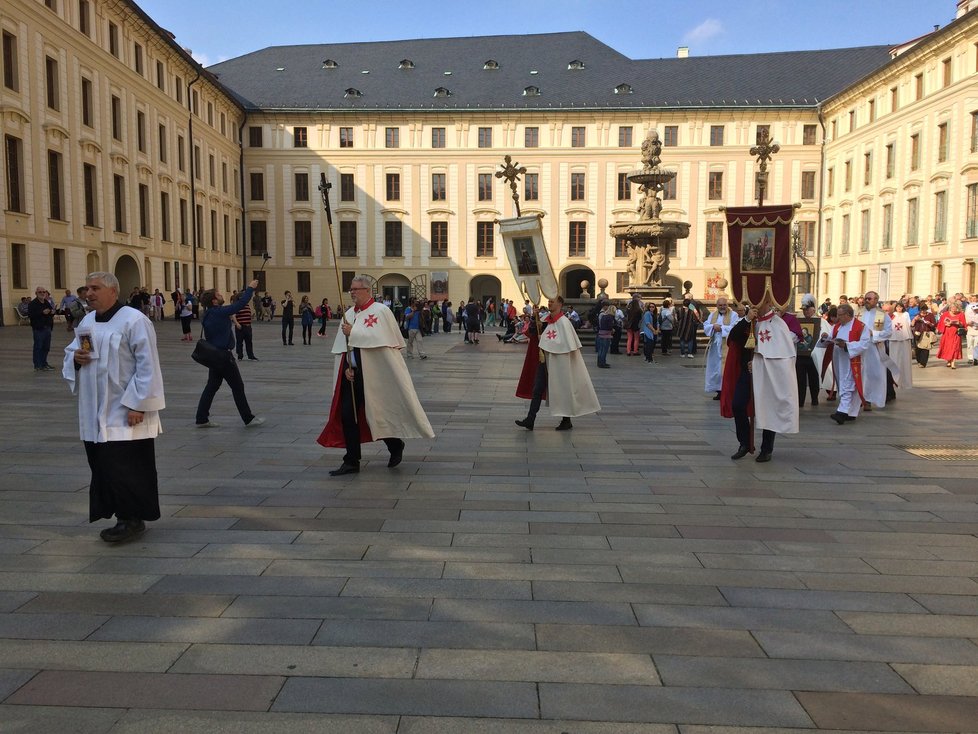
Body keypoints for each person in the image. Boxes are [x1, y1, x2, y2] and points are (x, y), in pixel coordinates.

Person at [63, 272, 165, 543]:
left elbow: (147, 365)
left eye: (95, 288)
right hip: (95, 409)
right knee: (104, 465)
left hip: (124, 410)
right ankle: (119, 513)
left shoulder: (134, 320)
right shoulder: (87, 321)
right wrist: (76, 358)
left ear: (113, 291)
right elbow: (73, 350)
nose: (89, 293)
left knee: (126, 466)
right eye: (87, 288)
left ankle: (131, 519)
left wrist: (138, 405)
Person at [317, 276, 434, 475]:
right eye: (350, 289)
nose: (352, 292)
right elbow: (345, 348)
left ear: (367, 291)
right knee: (348, 416)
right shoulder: (349, 314)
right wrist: (347, 366)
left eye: (355, 289)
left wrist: (354, 332)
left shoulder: (381, 311)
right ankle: (352, 461)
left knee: (378, 412)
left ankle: (395, 445)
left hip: (376, 375)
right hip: (351, 375)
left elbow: (382, 340)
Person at [723, 297, 798, 462]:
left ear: (770, 303)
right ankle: (744, 443)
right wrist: (748, 318)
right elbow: (733, 338)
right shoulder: (749, 321)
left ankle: (766, 449)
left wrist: (757, 362)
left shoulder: (778, 324)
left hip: (768, 374)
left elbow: (782, 355)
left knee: (768, 408)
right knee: (738, 404)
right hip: (747, 372)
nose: (756, 304)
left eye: (761, 301)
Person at [515, 295, 601, 431]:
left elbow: (562, 343)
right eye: (548, 301)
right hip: (544, 362)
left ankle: (566, 421)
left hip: (559, 363)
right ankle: (530, 419)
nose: (549, 303)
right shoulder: (545, 320)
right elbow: (531, 332)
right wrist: (534, 317)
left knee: (563, 389)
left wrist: (542, 338)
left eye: (552, 301)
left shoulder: (564, 322)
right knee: (537, 389)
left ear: (560, 304)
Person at [195, 281, 265, 428]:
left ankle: (201, 418)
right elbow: (239, 305)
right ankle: (248, 418)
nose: (221, 296)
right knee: (237, 386)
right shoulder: (219, 312)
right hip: (224, 357)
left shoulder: (206, 314)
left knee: (212, 386)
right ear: (214, 301)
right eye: (219, 295)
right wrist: (250, 288)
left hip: (213, 356)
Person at [824, 303, 872, 424]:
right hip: (839, 360)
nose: (838, 318)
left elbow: (865, 344)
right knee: (844, 385)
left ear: (848, 314)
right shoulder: (837, 326)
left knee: (848, 385)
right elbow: (830, 338)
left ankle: (842, 412)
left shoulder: (860, 327)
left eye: (841, 315)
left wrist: (846, 345)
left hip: (853, 360)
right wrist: (825, 338)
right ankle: (851, 413)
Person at [858, 291, 892, 409]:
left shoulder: (881, 315)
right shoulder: (858, 313)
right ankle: (860, 398)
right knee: (860, 373)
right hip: (859, 348)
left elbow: (888, 332)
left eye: (869, 299)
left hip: (874, 348)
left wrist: (874, 333)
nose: (866, 300)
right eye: (865, 298)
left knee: (874, 374)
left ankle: (870, 398)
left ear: (876, 300)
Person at [703, 296, 739, 399]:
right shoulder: (713, 315)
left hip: (727, 345)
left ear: (727, 305)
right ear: (717, 306)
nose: (723, 307)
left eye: (724, 305)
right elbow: (706, 325)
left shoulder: (733, 315)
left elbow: (734, 328)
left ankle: (727, 390)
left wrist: (721, 328)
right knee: (716, 369)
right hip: (715, 346)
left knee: (726, 368)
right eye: (720, 305)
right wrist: (713, 327)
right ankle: (719, 390)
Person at [28, 287, 56, 371]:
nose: (42, 293)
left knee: (46, 347)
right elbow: (31, 315)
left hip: (47, 327)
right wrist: (42, 312)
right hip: (38, 328)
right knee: (38, 347)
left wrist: (52, 312)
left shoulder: (46, 302)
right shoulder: (33, 303)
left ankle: (44, 363)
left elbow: (49, 312)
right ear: (36, 293)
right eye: (40, 292)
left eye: (44, 291)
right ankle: (37, 365)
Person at [888, 301, 913, 389]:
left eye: (900, 307)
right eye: (897, 307)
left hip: (904, 338)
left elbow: (908, 324)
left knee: (904, 360)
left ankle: (904, 381)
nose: (899, 308)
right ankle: (894, 380)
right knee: (894, 358)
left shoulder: (906, 314)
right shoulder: (892, 315)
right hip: (893, 339)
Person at [936, 300, 966, 369]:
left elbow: (963, 324)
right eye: (952, 309)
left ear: (958, 308)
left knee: (955, 347)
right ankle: (949, 361)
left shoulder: (961, 314)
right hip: (947, 333)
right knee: (948, 347)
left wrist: (958, 323)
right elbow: (941, 323)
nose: (954, 310)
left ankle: (953, 363)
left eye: (955, 309)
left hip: (956, 334)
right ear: (950, 308)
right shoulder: (945, 314)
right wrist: (946, 324)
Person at [595, 303, 616, 368]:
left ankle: (599, 362)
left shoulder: (604, 315)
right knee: (604, 349)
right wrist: (612, 329)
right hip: (606, 335)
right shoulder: (610, 317)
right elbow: (609, 326)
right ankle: (602, 363)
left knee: (601, 349)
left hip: (601, 333)